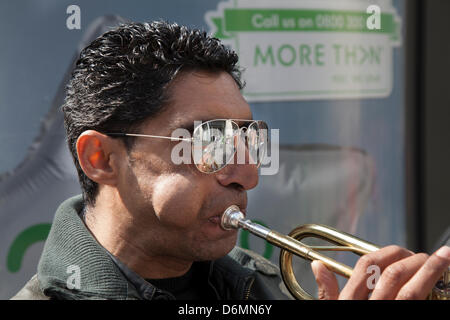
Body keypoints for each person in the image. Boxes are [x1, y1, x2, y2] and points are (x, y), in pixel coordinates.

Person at [12, 21, 450, 300]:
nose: (249, 175)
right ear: (101, 158)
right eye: (211, 140)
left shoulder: (269, 287)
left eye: (249, 140)